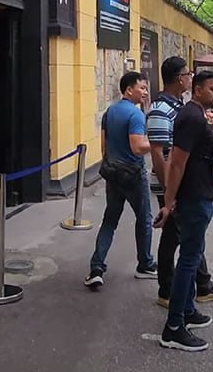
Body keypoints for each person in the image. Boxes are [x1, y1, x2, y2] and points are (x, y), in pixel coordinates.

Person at [147, 58, 213, 309]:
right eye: (186, 73)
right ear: (178, 78)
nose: (189, 76)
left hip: (182, 185)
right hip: (174, 185)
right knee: (175, 239)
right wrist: (169, 195)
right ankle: (169, 292)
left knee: (188, 240)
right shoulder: (163, 108)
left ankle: (202, 286)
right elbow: (163, 155)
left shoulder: (181, 107)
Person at [154, 71, 213, 352]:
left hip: (200, 196)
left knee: (192, 258)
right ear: (196, 90)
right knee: (188, 260)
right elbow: (177, 163)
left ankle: (188, 310)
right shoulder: (192, 118)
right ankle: (173, 328)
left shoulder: (196, 114)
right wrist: (169, 203)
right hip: (193, 198)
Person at [84, 72, 157, 288]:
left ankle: (96, 267)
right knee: (144, 219)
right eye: (141, 88)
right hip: (133, 174)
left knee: (110, 220)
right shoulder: (135, 115)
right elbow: (137, 147)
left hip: (112, 173)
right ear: (128, 90)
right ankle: (145, 264)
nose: (144, 92)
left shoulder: (110, 111)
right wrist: (158, 143)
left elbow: (104, 147)